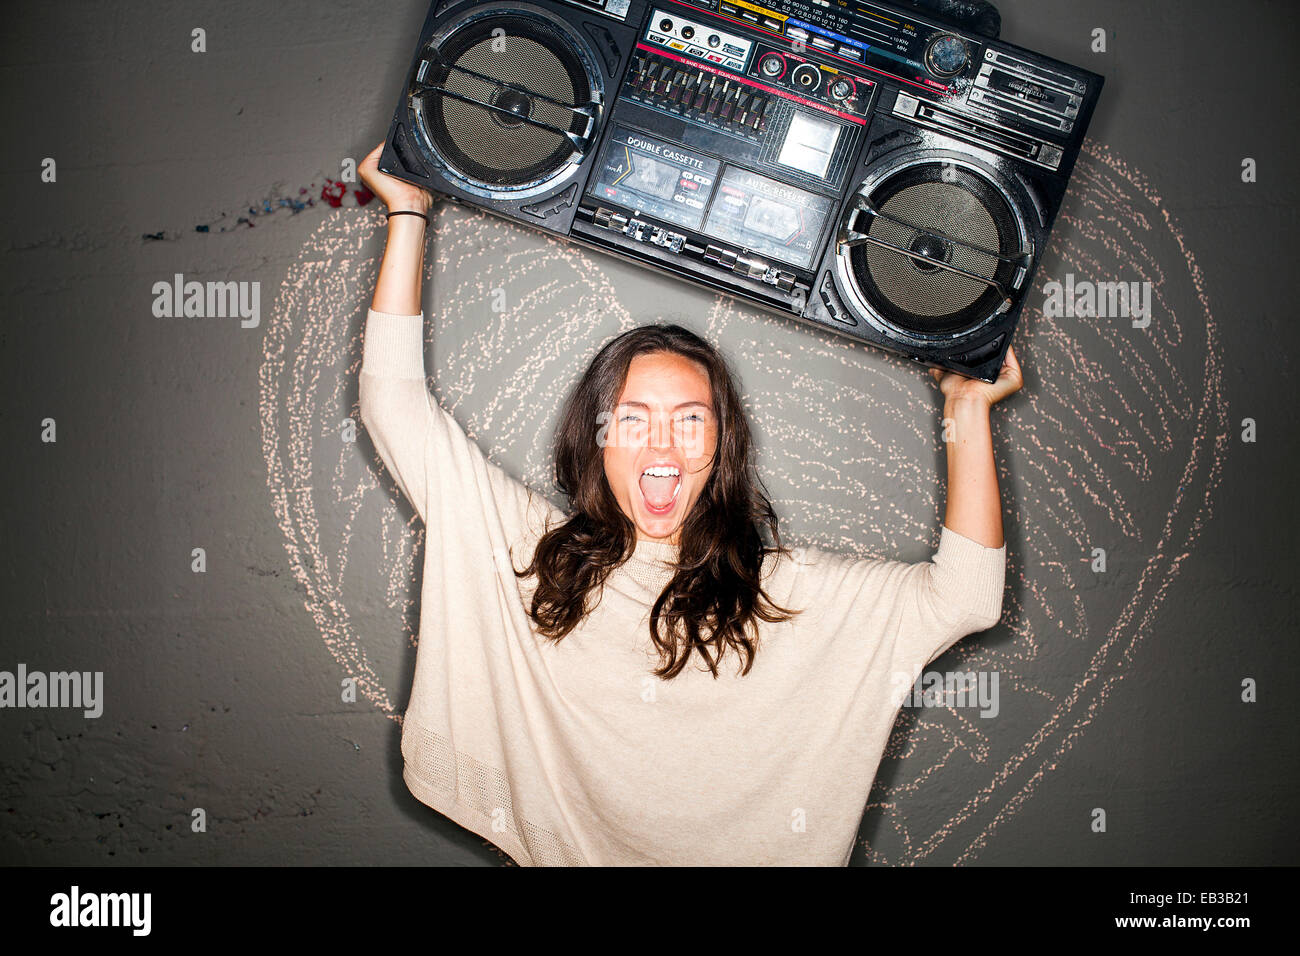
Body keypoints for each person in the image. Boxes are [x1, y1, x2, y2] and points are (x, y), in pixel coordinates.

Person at [357, 140, 1021, 866]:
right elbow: (394, 404)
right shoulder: (526, 550)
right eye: (634, 418)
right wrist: (409, 212)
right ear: (599, 437)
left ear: (722, 442)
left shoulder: (787, 593)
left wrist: (968, 409)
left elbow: (966, 597)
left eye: (691, 419)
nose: (663, 447)